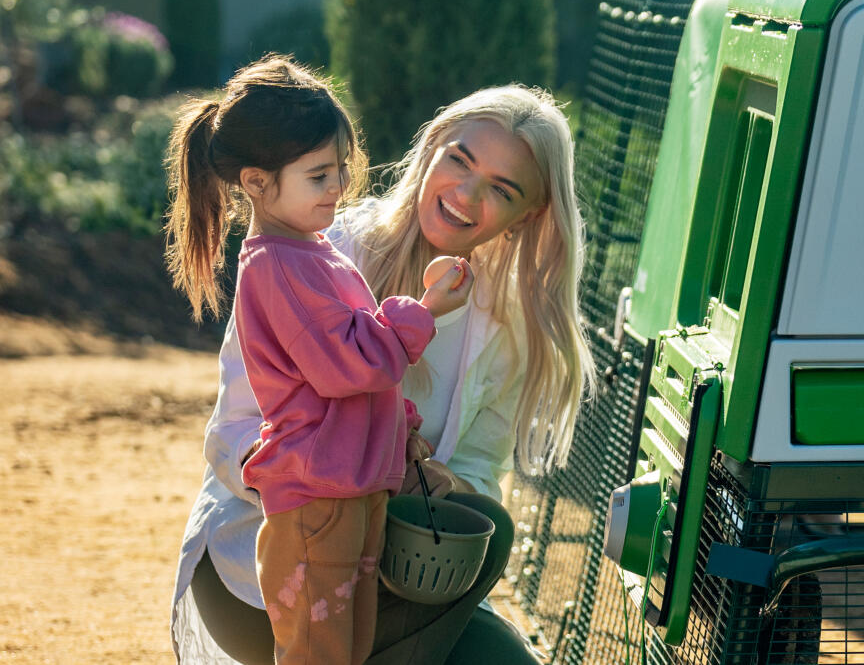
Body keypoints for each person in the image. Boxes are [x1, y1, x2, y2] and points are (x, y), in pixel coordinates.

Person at [171, 78, 595, 663]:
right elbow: (230, 435)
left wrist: (436, 480)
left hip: (392, 570)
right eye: (460, 161)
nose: (466, 196)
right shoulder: (317, 244)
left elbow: (475, 468)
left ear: (529, 215)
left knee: (494, 601)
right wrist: (330, 479)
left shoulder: (511, 327)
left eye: (500, 189)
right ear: (433, 149)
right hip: (267, 564)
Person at [165, 55, 475, 664]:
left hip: (345, 486)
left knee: (346, 646)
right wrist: (424, 311)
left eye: (338, 170)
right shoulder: (278, 266)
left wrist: (400, 429)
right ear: (256, 182)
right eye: (316, 176)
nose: (336, 188)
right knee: (319, 650)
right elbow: (347, 366)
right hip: (315, 495)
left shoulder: (312, 253)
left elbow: (352, 370)